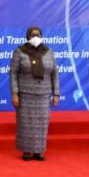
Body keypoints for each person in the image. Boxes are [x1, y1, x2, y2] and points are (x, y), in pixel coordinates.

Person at [9, 27, 60, 161]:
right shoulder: (19, 51)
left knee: (41, 125)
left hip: (44, 94)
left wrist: (56, 93)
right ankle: (26, 151)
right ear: (27, 37)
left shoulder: (49, 52)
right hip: (25, 94)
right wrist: (14, 93)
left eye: (38, 35)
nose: (35, 37)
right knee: (26, 124)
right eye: (32, 35)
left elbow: (55, 73)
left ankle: (39, 151)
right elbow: (13, 74)